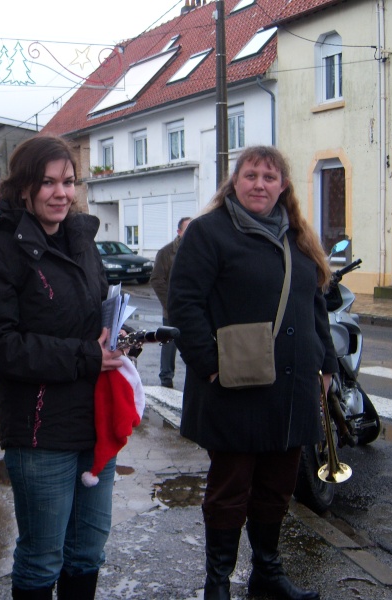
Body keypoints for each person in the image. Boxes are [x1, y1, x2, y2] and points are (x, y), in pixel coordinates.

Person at [167, 146, 337, 600]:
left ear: (283, 186)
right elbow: (184, 305)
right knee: (230, 491)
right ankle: (217, 584)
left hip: (293, 386)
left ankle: (267, 574)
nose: (259, 184)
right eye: (250, 175)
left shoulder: (298, 236)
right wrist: (209, 368)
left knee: (277, 488)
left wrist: (326, 365)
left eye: (269, 176)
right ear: (234, 182)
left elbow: (315, 303)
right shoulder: (209, 233)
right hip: (233, 385)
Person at [0, 136, 125, 600]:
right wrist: (84, 356)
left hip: (95, 421)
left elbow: (96, 312)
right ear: (24, 189)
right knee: (42, 556)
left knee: (88, 550)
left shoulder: (81, 242)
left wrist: (116, 338)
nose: (61, 193)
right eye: (47, 182)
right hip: (39, 431)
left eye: (68, 181)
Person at [150, 216, 190, 388]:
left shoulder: (198, 250)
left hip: (192, 309)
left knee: (192, 342)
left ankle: (197, 375)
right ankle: (166, 378)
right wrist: (170, 303)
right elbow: (157, 280)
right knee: (169, 344)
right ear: (179, 232)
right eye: (187, 229)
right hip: (172, 309)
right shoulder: (166, 253)